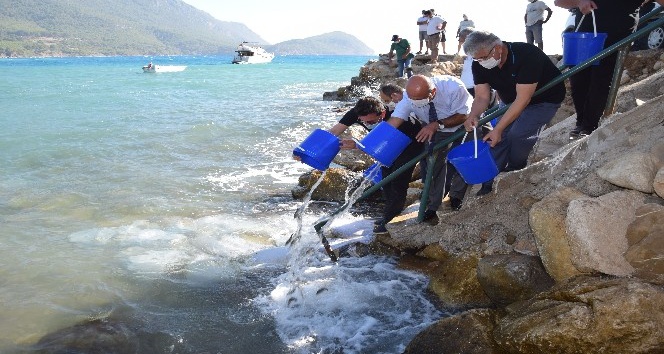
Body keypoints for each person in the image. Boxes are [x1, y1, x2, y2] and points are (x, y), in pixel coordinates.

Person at [462, 30, 565, 196]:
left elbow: (523, 100)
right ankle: (489, 180)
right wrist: (473, 115)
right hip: (510, 101)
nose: (480, 62)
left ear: (497, 48)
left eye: (483, 58)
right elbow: (481, 97)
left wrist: (498, 128)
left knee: (517, 135)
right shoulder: (479, 64)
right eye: (476, 59)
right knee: (496, 140)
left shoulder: (526, 54)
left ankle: (516, 168)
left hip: (543, 100)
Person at [554, 0, 664, 139]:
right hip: (584, 37)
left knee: (601, 81)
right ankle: (581, 123)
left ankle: (589, 126)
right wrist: (579, 2)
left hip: (616, 38)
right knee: (579, 80)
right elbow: (558, 2)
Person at [327, 96, 424, 235]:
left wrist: (356, 145)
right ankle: (389, 215)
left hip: (412, 143)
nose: (367, 123)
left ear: (382, 114)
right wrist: (306, 150)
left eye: (371, 121)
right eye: (363, 121)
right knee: (386, 180)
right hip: (387, 144)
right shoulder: (357, 113)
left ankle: (390, 220)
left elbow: (380, 141)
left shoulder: (395, 115)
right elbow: (333, 132)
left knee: (398, 180)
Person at [386, 74, 472, 218]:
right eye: (412, 99)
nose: (415, 102)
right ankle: (433, 205)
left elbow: (464, 114)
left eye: (419, 99)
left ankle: (457, 195)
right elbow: (394, 121)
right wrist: (368, 144)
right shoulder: (408, 96)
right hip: (436, 129)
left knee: (466, 157)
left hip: (464, 123)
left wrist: (436, 124)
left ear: (433, 92)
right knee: (432, 162)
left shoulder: (453, 87)